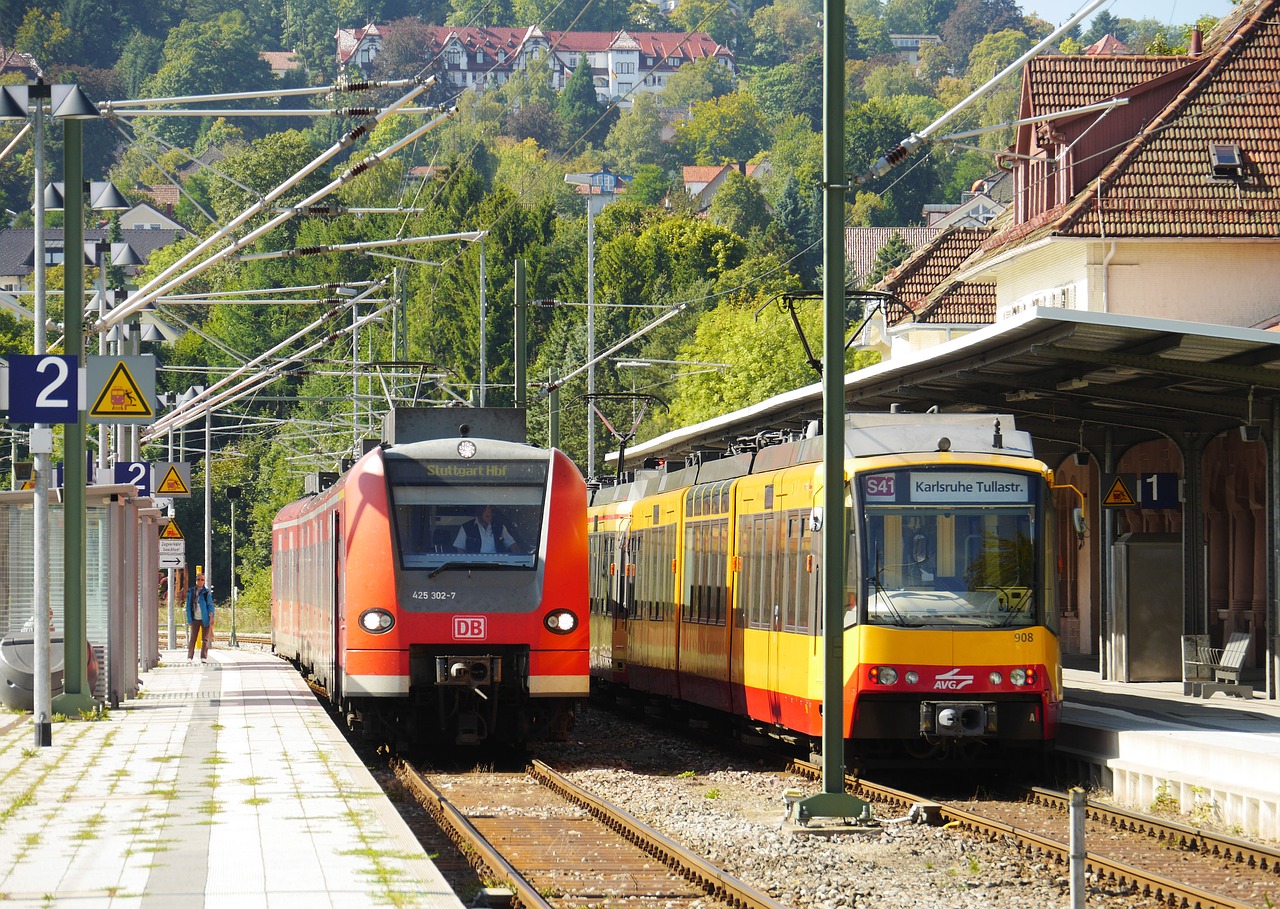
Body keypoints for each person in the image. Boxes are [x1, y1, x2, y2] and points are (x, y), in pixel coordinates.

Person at [453, 504, 519, 553]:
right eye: (487, 515)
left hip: (498, 567)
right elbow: (459, 548)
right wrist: (466, 565)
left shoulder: (499, 527)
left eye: (490, 514)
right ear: (479, 513)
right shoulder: (467, 527)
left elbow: (513, 545)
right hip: (475, 567)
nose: (490, 517)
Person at [185, 572, 215, 662]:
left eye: (202, 580)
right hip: (195, 618)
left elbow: (210, 604)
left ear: (204, 581)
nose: (200, 581)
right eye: (198, 579)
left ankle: (203, 657)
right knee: (193, 638)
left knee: (205, 639)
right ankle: (190, 657)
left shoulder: (206, 593)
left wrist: (211, 614)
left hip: (205, 618)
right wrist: (189, 619)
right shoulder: (191, 591)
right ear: (196, 580)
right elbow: (188, 606)